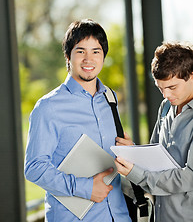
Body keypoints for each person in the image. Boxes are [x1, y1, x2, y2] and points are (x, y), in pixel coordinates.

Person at [24, 19, 131, 222]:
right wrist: (85, 188)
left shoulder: (110, 98)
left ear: (103, 56)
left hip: (118, 215)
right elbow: (34, 167)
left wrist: (129, 151)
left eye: (96, 51)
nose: (88, 59)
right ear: (68, 56)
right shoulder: (48, 107)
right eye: (80, 51)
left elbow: (112, 152)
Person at [115, 41, 193, 222]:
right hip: (161, 215)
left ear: (191, 75)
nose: (165, 95)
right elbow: (156, 156)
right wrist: (133, 152)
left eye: (172, 87)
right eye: (161, 88)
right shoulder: (166, 107)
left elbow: (189, 177)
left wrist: (136, 174)